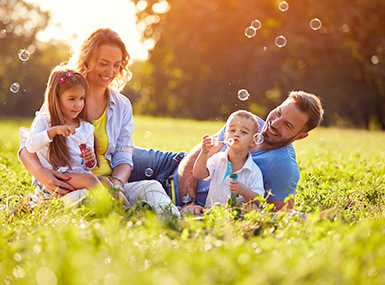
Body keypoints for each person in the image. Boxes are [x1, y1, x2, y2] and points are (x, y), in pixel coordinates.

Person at [18, 28, 180, 216]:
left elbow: (123, 154)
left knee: (151, 187)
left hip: (107, 186)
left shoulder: (121, 105)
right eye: (104, 63)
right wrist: (41, 174)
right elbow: (27, 145)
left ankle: (176, 223)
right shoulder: (65, 95)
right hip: (70, 187)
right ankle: (127, 219)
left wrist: (117, 185)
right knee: (87, 200)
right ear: (87, 59)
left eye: (116, 65)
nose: (110, 72)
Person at [128, 91, 324, 215]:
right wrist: (189, 200)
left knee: (112, 188)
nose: (274, 123)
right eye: (279, 112)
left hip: (177, 200)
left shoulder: (284, 167)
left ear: (300, 136)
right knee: (113, 156)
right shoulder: (249, 122)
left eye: (287, 125)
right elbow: (196, 156)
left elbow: (280, 215)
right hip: (171, 164)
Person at [24, 66, 130, 207]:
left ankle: (129, 210)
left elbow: (87, 166)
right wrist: (53, 131)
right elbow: (30, 146)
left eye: (82, 98)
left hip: (77, 177)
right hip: (57, 179)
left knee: (105, 182)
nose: (78, 105)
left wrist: (90, 160)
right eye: (72, 99)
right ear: (56, 98)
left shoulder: (85, 127)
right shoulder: (45, 121)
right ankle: (110, 209)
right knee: (90, 180)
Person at [193, 110, 265, 208]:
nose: (236, 134)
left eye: (244, 132)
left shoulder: (253, 170)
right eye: (232, 130)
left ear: (253, 142)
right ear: (225, 137)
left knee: (253, 208)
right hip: (214, 213)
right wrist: (204, 153)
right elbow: (198, 174)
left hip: (238, 215)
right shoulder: (217, 159)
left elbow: (259, 200)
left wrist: (244, 191)